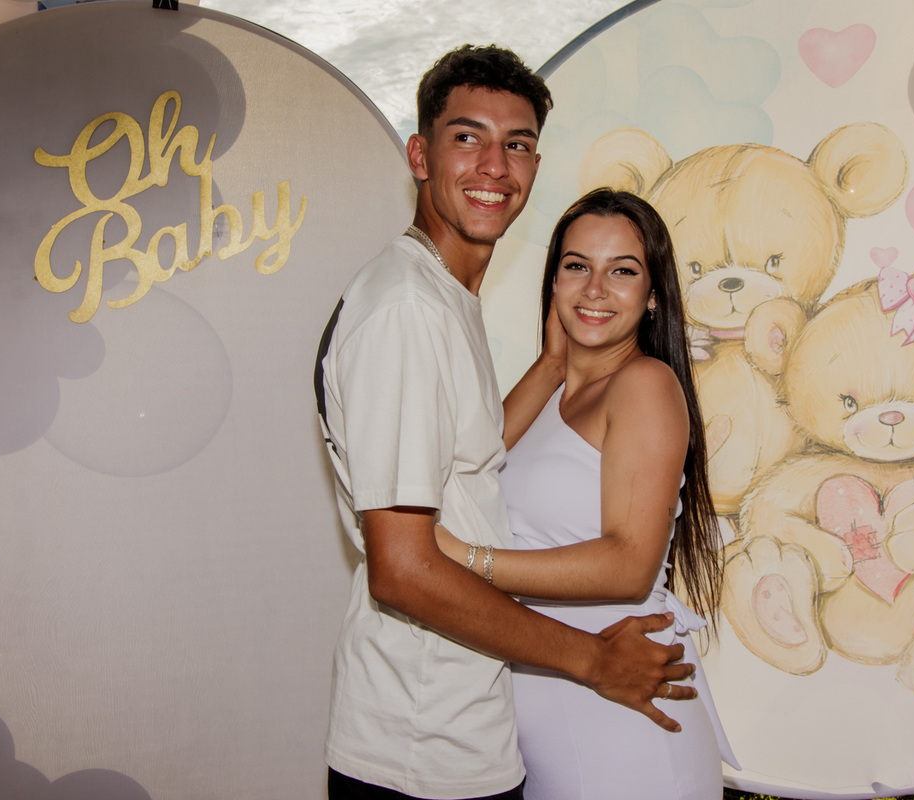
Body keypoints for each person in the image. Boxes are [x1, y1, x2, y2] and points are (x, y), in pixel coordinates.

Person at [316, 46, 698, 800]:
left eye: (516, 145)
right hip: (420, 740)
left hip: (471, 725)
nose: (494, 165)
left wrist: (552, 366)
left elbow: (470, 457)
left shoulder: (444, 299)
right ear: (419, 155)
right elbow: (404, 569)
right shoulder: (408, 309)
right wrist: (592, 659)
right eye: (468, 137)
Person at [436, 189, 740, 799]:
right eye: (577, 266)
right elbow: (466, 475)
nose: (595, 289)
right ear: (553, 282)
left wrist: (467, 563)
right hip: (550, 725)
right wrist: (552, 365)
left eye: (622, 271)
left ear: (653, 296)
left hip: (624, 736)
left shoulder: (645, 383)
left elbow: (629, 565)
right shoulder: (550, 391)